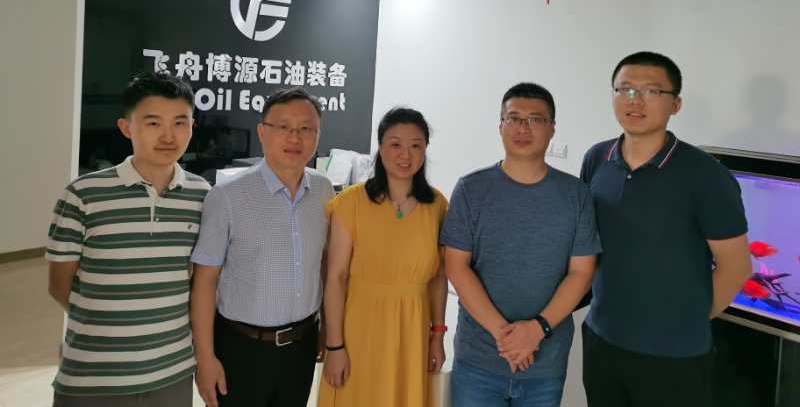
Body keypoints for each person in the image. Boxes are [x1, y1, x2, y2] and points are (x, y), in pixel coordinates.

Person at [580, 51, 752, 407]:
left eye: (651, 91)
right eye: (625, 89)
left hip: (675, 356)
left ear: (676, 104)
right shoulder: (597, 158)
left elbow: (736, 267)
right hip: (602, 341)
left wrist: (687, 320)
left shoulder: (707, 176)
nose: (635, 100)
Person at [46, 72, 210, 406]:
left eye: (180, 123)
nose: (168, 135)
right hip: (93, 376)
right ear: (126, 127)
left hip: (172, 372)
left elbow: (200, 283)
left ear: (192, 127)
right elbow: (60, 286)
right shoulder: (83, 194)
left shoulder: (204, 195)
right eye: (153, 123)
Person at [441, 83, 600, 407]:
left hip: (545, 364)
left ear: (552, 128)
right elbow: (456, 266)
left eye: (535, 119)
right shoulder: (471, 189)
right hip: (478, 361)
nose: (522, 128)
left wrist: (536, 331)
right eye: (513, 118)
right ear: (500, 125)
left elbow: (582, 272)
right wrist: (508, 337)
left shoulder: (576, 195)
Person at [190, 88, 333, 407]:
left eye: (306, 128)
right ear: (262, 132)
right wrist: (205, 357)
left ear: (317, 135)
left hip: (302, 346)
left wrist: (325, 327)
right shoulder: (227, 196)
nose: (295, 138)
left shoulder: (324, 191)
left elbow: (323, 265)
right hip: (241, 348)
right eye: (283, 127)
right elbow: (205, 281)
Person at [319, 107, 448, 407]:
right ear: (380, 146)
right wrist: (334, 345)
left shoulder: (438, 205)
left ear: (425, 149)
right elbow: (335, 277)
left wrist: (437, 336)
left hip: (413, 331)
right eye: (395, 144)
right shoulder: (351, 202)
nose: (406, 154)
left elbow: (438, 278)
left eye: (415, 145)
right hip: (360, 329)